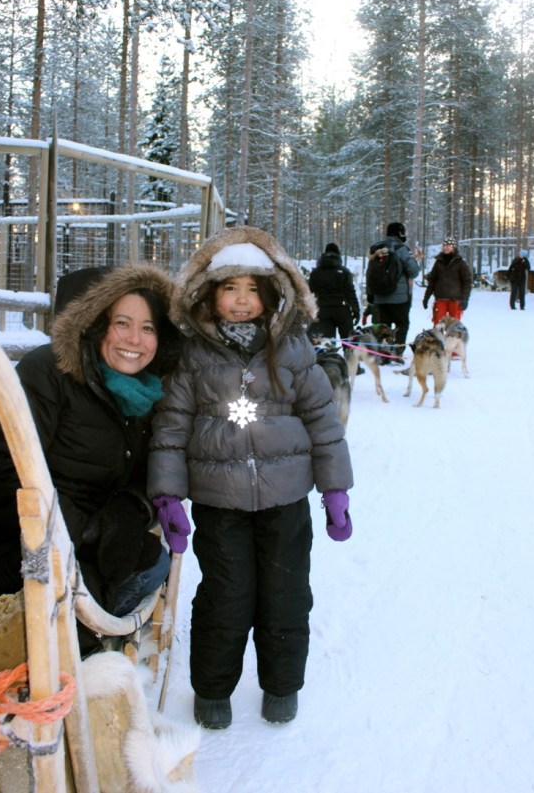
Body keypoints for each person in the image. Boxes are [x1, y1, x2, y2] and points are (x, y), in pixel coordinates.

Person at [148, 226, 354, 730]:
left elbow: (323, 419)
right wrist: (167, 492)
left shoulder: (292, 348)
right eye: (229, 289)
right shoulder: (193, 354)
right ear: (209, 294)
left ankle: (282, 684)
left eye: (251, 290)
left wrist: (335, 487)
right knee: (226, 594)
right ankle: (213, 688)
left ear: (270, 295)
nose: (241, 301)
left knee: (286, 594)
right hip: (221, 504)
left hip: (286, 501)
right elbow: (172, 428)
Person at [0, 264, 181, 655]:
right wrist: (81, 531)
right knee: (41, 653)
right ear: (96, 324)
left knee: (154, 565)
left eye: (148, 328)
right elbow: (0, 470)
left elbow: (153, 471)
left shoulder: (150, 393)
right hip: (14, 545)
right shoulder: (48, 371)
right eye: (122, 323)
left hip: (84, 556)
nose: (135, 339)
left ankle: (88, 634)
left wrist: (133, 508)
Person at [365, 222, 420, 363]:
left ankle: (383, 354)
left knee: (383, 326)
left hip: (379, 297)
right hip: (400, 298)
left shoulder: (376, 249)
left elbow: (369, 273)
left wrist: (370, 296)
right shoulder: (402, 249)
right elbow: (413, 271)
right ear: (400, 233)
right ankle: (397, 350)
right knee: (402, 324)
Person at [307, 242, 360, 340]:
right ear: (338, 255)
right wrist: (356, 311)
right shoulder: (344, 271)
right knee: (348, 343)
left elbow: (310, 294)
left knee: (327, 344)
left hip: (323, 310)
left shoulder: (315, 273)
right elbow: (350, 293)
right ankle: (349, 354)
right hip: (343, 310)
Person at [422, 236, 472, 323]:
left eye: (448, 245)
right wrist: (426, 297)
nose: (446, 247)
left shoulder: (460, 263)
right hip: (441, 299)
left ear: (453, 247)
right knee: (438, 325)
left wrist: (465, 299)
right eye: (444, 245)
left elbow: (467, 282)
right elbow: (432, 281)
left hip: (455, 300)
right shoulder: (438, 262)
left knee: (454, 327)